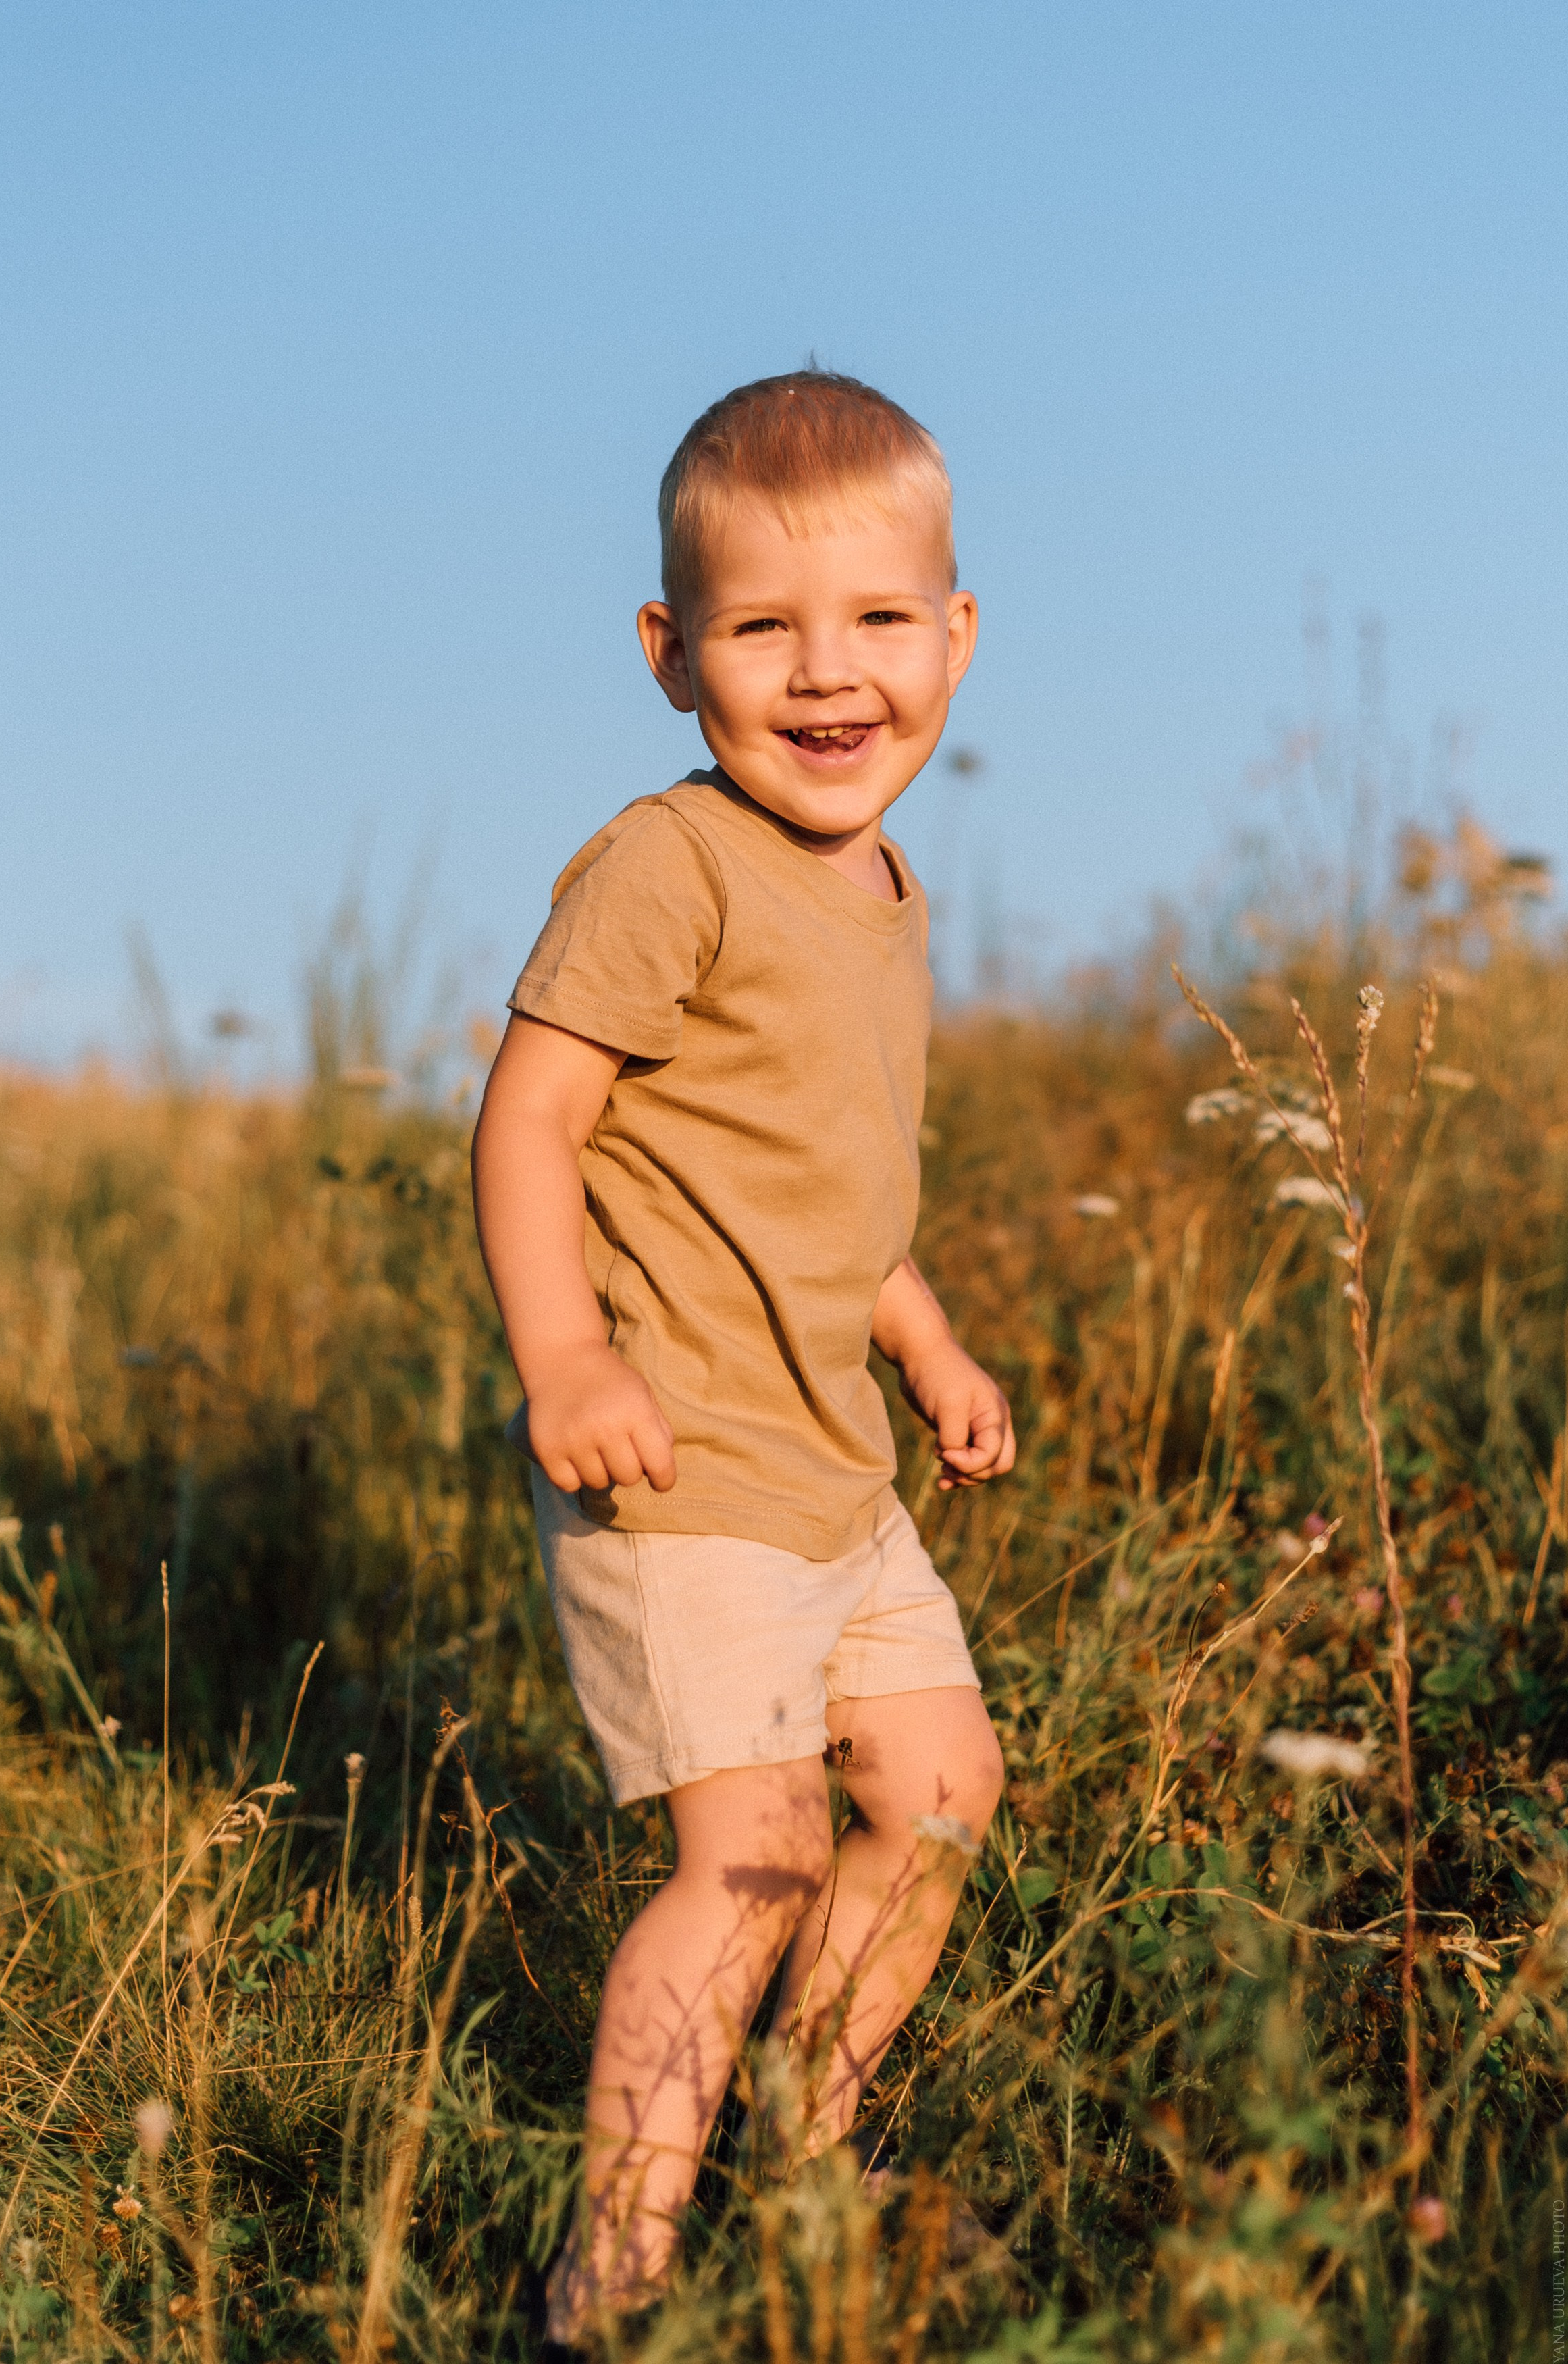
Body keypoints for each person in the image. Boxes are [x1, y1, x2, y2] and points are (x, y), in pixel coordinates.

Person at [471, 370, 1014, 2352]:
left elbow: (829, 1187)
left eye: (878, 620)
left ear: (956, 637)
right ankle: (609, 2264)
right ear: (668, 650)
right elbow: (529, 1119)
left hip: (839, 1467)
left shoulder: (885, 895)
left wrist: (925, 1331)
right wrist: (566, 1357)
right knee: (761, 1848)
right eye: (763, 626)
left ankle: (811, 2139)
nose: (826, 673)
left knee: (941, 1787)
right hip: (682, 1462)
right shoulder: (666, 865)